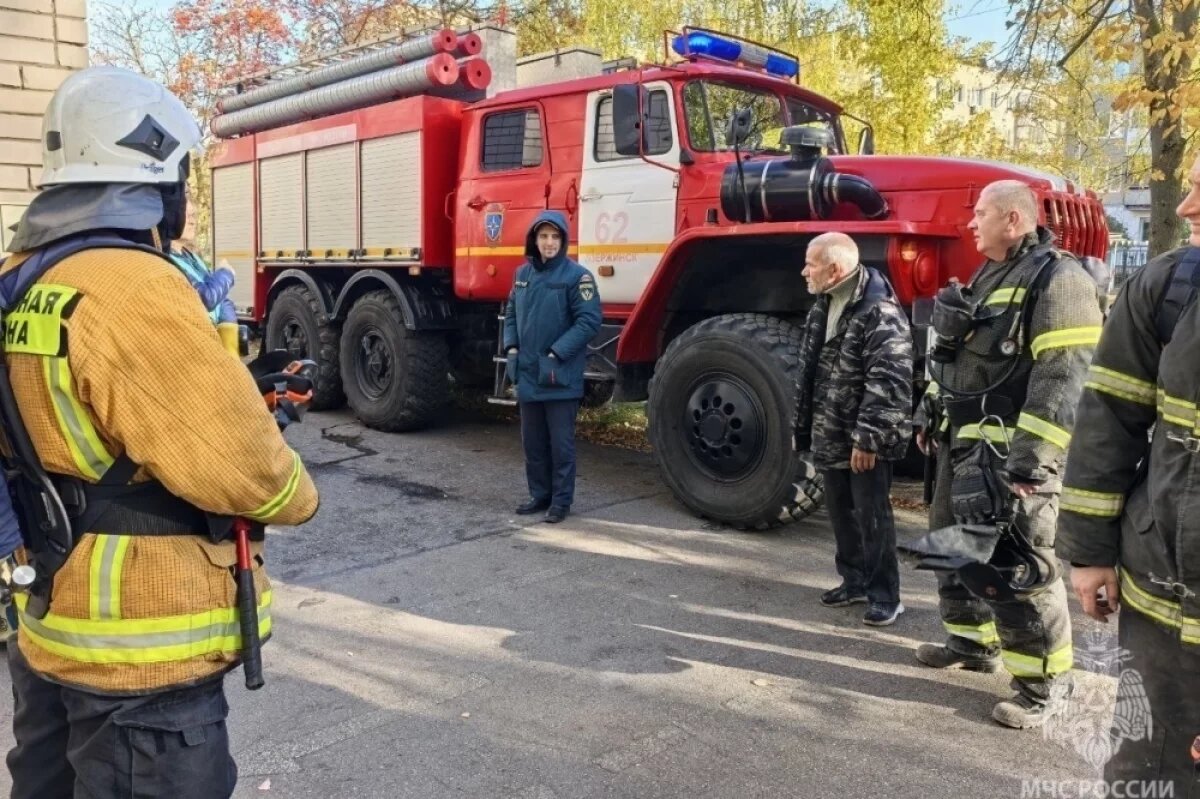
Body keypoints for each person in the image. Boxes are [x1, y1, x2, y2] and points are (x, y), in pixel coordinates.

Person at [0, 66, 318, 798]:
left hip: (55, 628)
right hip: (142, 653)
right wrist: (298, 493)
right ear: (157, 177)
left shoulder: (24, 276)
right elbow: (243, 466)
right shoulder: (131, 283)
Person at [912, 179, 1103, 729]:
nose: (971, 224)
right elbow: (956, 361)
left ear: (1013, 220)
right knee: (951, 544)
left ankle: (1045, 683)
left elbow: (1065, 377)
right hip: (964, 444)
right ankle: (972, 644)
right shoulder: (988, 273)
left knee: (1020, 562)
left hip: (1012, 456)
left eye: (980, 214)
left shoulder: (1059, 279)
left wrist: (1031, 460)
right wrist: (932, 411)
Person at [1056, 152, 1200, 791]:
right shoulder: (1170, 288)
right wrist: (1088, 553)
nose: (1188, 210)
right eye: (1192, 189)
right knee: (1147, 770)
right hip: (1161, 601)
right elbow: (1108, 418)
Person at [793, 232, 913, 626]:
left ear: (835, 268)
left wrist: (869, 438)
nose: (803, 271)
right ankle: (854, 581)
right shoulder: (823, 305)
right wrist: (805, 427)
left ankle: (885, 596)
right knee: (841, 513)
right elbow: (811, 373)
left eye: (810, 263)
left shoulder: (879, 310)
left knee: (871, 516)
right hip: (832, 432)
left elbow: (890, 379)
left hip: (863, 439)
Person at [503, 211, 601, 524]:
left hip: (560, 374)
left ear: (563, 240)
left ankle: (561, 502)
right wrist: (512, 347)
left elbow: (589, 321)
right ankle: (539, 494)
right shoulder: (522, 274)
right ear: (534, 239)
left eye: (554, 237)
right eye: (543, 236)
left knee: (561, 445)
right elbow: (511, 312)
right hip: (530, 373)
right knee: (533, 442)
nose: (548, 243)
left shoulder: (578, 277)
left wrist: (557, 353)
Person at [170, 198, 241, 356]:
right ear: (169, 217)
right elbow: (205, 298)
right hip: (191, 347)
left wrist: (228, 343)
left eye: (193, 216)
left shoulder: (190, 256)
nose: (192, 222)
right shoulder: (167, 259)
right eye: (186, 215)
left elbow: (222, 300)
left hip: (210, 344)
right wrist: (226, 274)